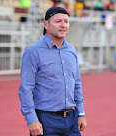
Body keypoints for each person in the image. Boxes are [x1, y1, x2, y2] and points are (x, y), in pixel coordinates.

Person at [19, 6, 87, 136]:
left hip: (71, 119)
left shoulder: (71, 51)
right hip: (46, 121)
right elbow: (26, 88)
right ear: (46, 24)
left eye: (66, 21)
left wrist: (81, 113)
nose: (63, 25)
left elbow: (76, 84)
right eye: (57, 21)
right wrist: (31, 119)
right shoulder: (33, 51)